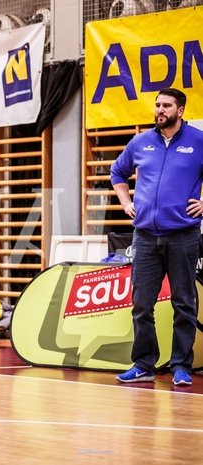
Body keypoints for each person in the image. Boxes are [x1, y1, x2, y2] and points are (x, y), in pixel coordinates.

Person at [111, 87, 203, 386]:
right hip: (145, 236)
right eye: (158, 105)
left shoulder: (198, 141)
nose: (160, 110)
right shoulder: (140, 142)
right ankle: (144, 364)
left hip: (183, 234)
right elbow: (117, 174)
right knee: (141, 304)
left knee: (184, 302)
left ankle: (180, 366)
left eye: (166, 105)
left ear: (180, 110)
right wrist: (126, 203)